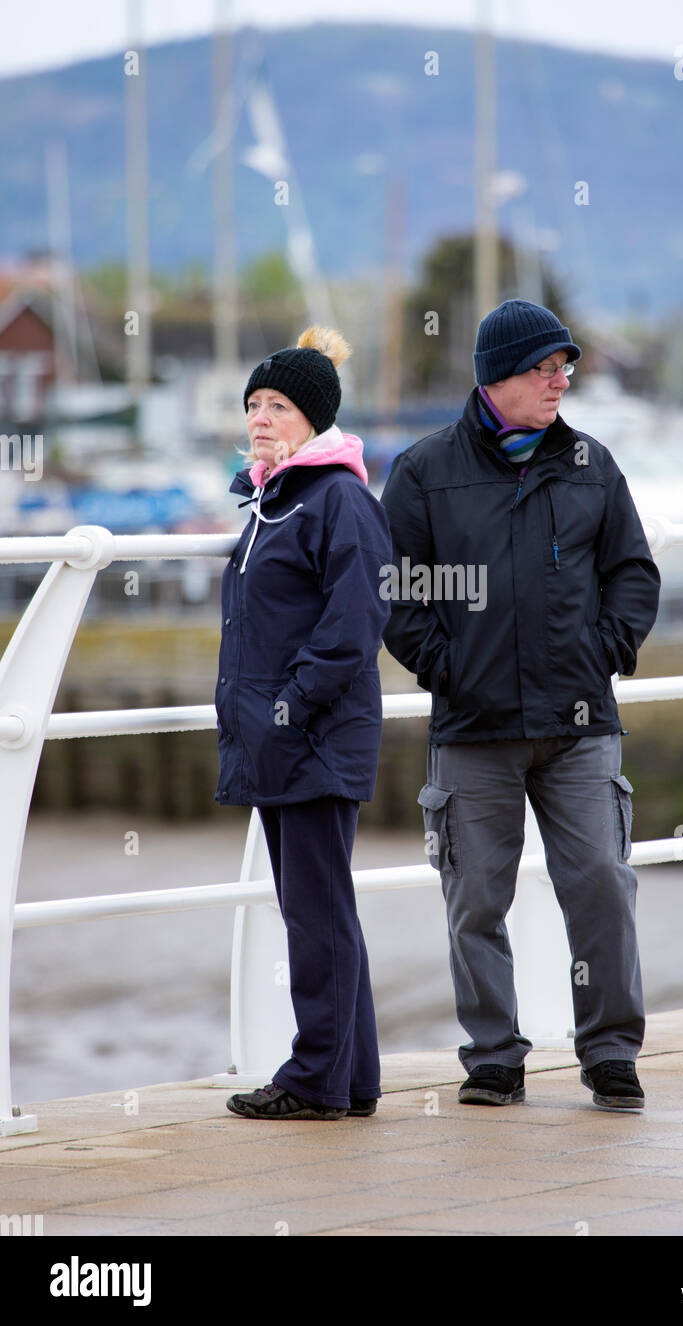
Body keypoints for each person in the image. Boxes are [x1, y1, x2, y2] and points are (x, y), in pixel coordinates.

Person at [380, 299, 660, 1112]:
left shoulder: (591, 465)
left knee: (603, 882)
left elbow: (633, 574)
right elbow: (399, 592)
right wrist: (449, 669)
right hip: (473, 729)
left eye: (565, 366)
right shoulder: (426, 470)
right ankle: (494, 1057)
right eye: (545, 367)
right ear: (496, 376)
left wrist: (601, 653)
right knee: (475, 901)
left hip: (579, 727)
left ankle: (610, 1052)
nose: (560, 379)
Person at [216, 327, 392, 1120]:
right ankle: (348, 1081)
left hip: (312, 737)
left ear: (314, 419)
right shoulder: (272, 500)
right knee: (321, 909)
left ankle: (315, 1079)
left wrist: (289, 707)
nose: (259, 418)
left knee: (314, 913)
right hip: (282, 739)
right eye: (253, 404)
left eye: (277, 405)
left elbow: (355, 624)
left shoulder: (338, 498)